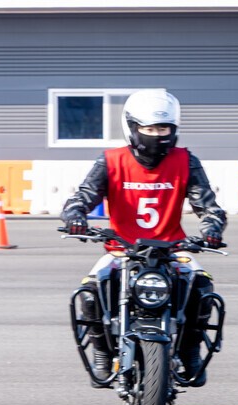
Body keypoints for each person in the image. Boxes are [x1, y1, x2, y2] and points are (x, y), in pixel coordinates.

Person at [60, 89, 227, 384]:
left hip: (173, 249)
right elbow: (84, 196)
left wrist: (211, 229)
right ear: (132, 128)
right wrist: (75, 216)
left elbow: (209, 206)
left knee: (203, 286)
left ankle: (190, 350)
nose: (157, 135)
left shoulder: (186, 160)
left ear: (174, 129)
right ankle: (101, 351)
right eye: (149, 129)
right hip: (120, 250)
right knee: (89, 292)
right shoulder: (111, 160)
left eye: (163, 128)